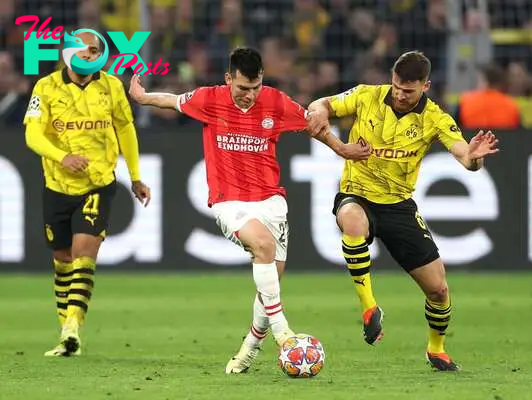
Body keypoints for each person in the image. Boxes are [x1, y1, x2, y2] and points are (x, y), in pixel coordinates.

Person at [128, 47, 370, 374]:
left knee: (269, 282)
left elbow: (314, 125)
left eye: (255, 88)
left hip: (271, 201)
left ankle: (248, 348)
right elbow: (171, 100)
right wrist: (142, 97)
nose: (248, 95)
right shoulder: (209, 99)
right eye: (242, 88)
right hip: (230, 201)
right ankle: (284, 333)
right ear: (229, 79)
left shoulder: (276, 101)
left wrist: (343, 149)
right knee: (264, 247)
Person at [307, 50, 499, 371]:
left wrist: (475, 157)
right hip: (358, 193)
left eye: (408, 90)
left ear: (425, 87)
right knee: (352, 221)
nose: (399, 93)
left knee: (438, 289)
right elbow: (320, 105)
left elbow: (465, 157)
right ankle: (370, 309)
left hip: (398, 206)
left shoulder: (436, 118)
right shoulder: (367, 95)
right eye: (396, 85)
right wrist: (321, 117)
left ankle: (436, 349)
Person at [23, 32, 151, 357]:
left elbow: (125, 128)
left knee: (84, 253)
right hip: (57, 186)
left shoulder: (110, 86)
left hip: (98, 183)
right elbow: (33, 134)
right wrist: (61, 156)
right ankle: (67, 335)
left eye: (97, 51)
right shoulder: (46, 87)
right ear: (70, 54)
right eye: (86, 50)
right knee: (62, 260)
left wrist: (135, 176)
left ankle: (72, 328)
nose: (92, 56)